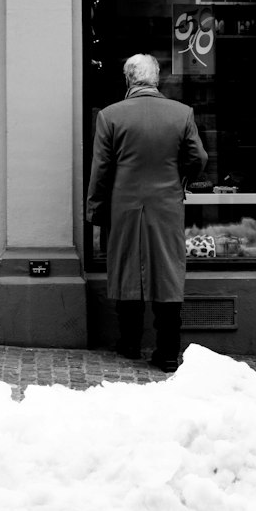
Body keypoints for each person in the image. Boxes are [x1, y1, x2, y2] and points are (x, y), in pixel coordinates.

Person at [86, 53, 208, 372]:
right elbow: (198, 158)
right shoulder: (181, 113)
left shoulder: (110, 116)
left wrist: (96, 209)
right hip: (167, 204)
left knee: (128, 270)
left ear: (128, 79)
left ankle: (130, 344)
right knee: (167, 270)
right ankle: (168, 351)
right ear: (157, 79)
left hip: (124, 204)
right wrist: (179, 179)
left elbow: (101, 169)